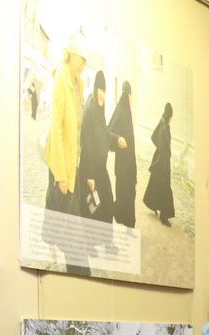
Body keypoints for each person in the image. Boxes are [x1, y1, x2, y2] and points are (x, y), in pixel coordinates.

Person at [77, 70, 126, 224]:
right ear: (95, 89)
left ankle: (104, 237)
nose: (102, 94)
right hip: (91, 170)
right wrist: (89, 176)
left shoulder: (99, 109)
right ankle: (93, 238)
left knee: (106, 206)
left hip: (100, 168)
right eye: (99, 90)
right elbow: (86, 144)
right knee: (94, 210)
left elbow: (104, 132)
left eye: (104, 91)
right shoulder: (90, 111)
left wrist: (116, 139)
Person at [44, 36, 86, 216]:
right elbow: (56, 127)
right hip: (62, 164)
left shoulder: (78, 84)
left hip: (73, 161)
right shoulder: (61, 77)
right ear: (70, 55)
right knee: (58, 218)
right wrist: (60, 175)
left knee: (66, 217)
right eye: (80, 59)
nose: (83, 65)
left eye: (85, 61)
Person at [108, 80, 137, 229]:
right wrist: (118, 139)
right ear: (128, 95)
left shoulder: (126, 111)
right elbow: (109, 131)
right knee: (125, 194)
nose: (132, 99)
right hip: (122, 165)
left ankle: (128, 223)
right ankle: (126, 222)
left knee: (129, 193)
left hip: (129, 164)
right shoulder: (120, 110)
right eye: (131, 95)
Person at [143, 102, 175, 226]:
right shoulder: (164, 128)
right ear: (169, 115)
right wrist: (164, 159)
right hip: (162, 163)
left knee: (155, 184)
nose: (172, 118)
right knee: (165, 189)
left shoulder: (163, 123)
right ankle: (164, 217)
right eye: (171, 116)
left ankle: (152, 204)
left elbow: (153, 137)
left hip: (160, 161)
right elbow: (162, 146)